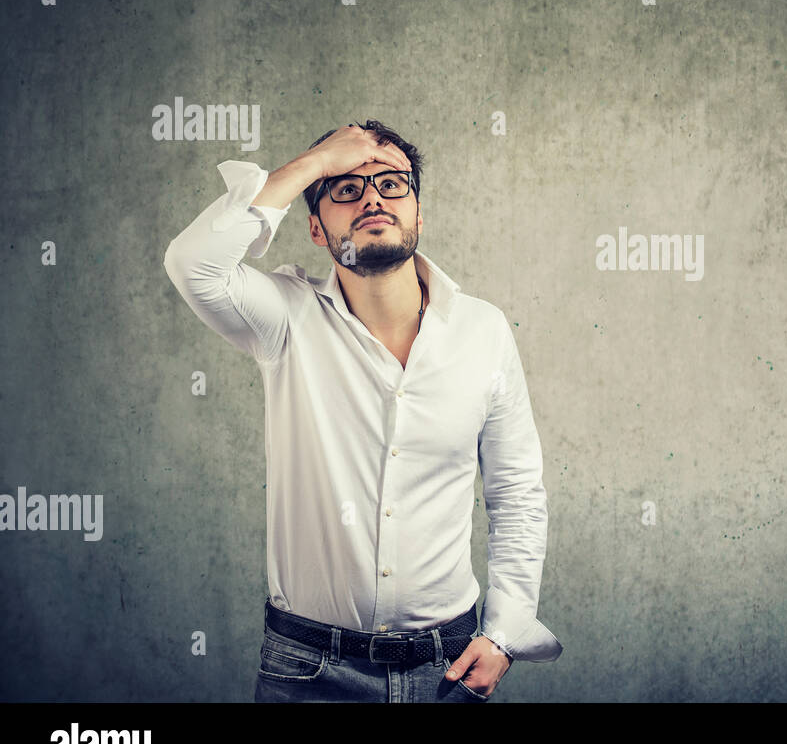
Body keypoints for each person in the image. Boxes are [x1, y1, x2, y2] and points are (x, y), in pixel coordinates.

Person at [163, 119, 561, 702]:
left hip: (447, 668)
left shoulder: (484, 330)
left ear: (419, 214)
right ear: (316, 230)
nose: (372, 197)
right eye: (345, 188)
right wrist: (314, 161)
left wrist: (503, 632)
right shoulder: (284, 316)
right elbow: (192, 262)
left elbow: (518, 490)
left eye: (393, 184)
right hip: (308, 669)